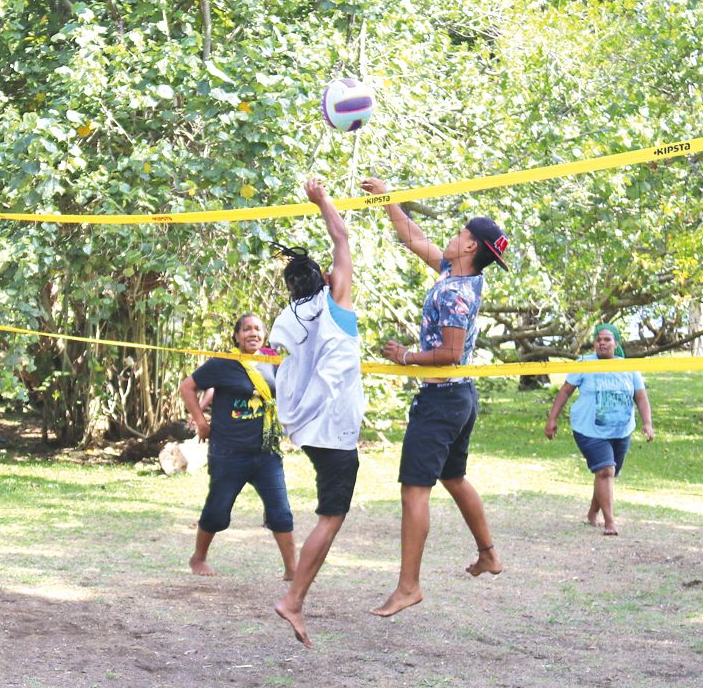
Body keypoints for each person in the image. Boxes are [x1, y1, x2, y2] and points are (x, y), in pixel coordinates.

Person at [370, 178, 509, 617]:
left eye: (461, 234)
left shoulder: (454, 293)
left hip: (442, 400)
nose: (452, 237)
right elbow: (415, 240)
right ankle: (488, 554)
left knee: (415, 492)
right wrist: (389, 200)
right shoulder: (458, 277)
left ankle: (408, 587)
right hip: (459, 398)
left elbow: (449, 354)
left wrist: (407, 357)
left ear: (469, 247)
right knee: (454, 478)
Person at [269, 177, 365, 647]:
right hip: (334, 432)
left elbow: (277, 360)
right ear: (324, 280)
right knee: (330, 518)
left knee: (331, 514)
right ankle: (294, 599)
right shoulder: (338, 304)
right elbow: (342, 239)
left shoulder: (287, 319)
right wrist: (322, 199)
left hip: (308, 429)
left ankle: (296, 597)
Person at [178, 313, 296, 580]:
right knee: (217, 510)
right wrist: (201, 422)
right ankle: (198, 559)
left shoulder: (273, 362)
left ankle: (292, 570)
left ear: (264, 334)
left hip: (266, 453)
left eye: (257, 329)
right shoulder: (224, 363)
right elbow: (188, 387)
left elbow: (290, 393)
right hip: (229, 452)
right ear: (236, 336)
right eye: (246, 330)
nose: (252, 333)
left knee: (280, 512)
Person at [543, 323, 654, 536]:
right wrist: (552, 419)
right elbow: (565, 391)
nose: (601, 343)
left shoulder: (628, 367)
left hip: (621, 431)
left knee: (608, 473)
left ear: (616, 343)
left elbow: (640, 396)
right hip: (588, 429)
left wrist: (647, 424)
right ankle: (610, 522)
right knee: (605, 470)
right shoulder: (584, 363)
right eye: (598, 340)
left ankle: (593, 513)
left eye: (607, 340)